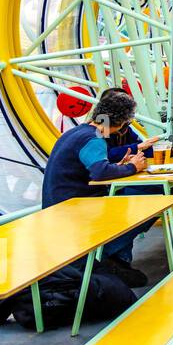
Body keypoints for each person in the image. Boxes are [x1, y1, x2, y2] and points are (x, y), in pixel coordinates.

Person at [40, 89, 152, 286]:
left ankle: (112, 260)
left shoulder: (76, 133)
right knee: (145, 209)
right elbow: (99, 172)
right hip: (75, 208)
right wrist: (133, 166)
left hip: (58, 204)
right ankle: (106, 256)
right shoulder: (94, 139)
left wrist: (118, 167)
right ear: (123, 122)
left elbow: (92, 168)